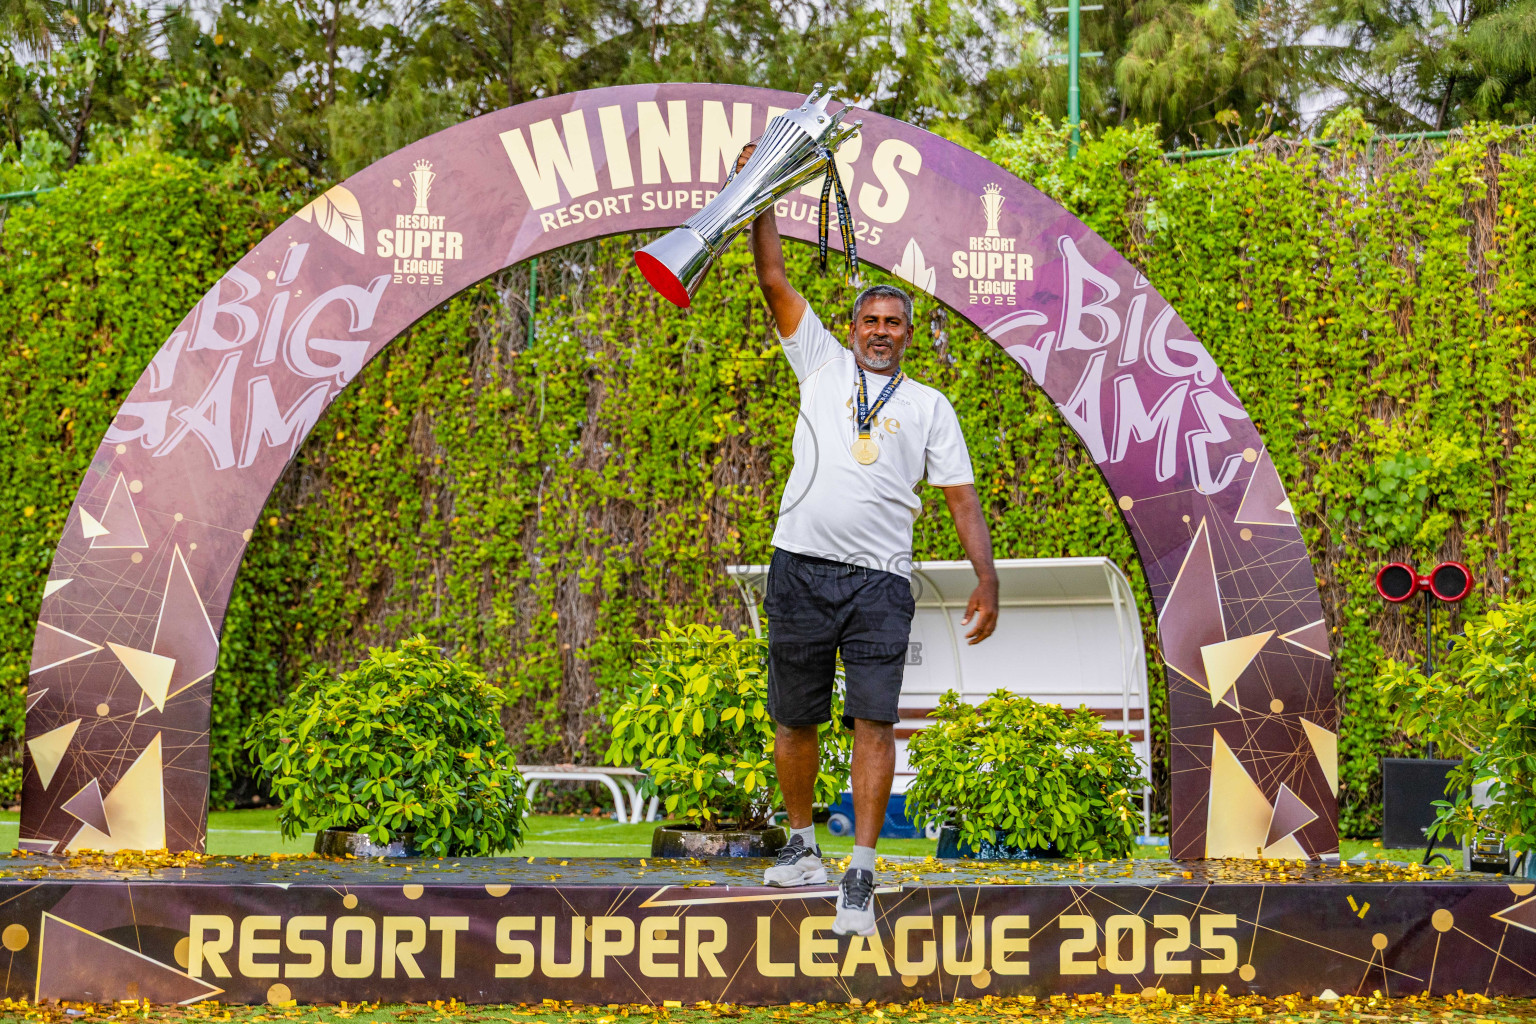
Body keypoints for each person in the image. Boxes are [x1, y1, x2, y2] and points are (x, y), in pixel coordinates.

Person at [737, 145, 999, 936]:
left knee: (874, 722)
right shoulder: (816, 362)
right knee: (793, 718)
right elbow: (775, 278)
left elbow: (961, 499)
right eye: (871, 320)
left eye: (894, 323)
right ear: (850, 328)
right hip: (801, 570)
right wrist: (760, 197)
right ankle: (802, 846)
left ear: (907, 336)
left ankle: (861, 872)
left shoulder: (930, 406)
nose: (881, 331)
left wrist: (986, 579)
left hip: (882, 582)